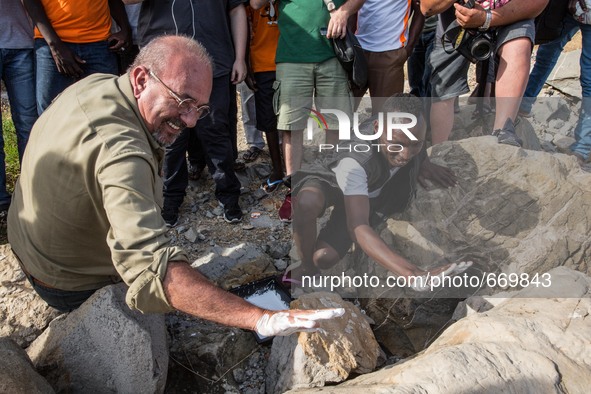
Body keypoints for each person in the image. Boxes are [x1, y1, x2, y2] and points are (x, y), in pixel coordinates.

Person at [7, 36, 342, 335]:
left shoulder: (96, 85)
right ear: (140, 79)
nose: (191, 121)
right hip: (65, 280)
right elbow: (155, 270)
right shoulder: (123, 153)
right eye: (182, 101)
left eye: (199, 108)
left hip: (29, 242)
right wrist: (262, 319)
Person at [291, 94, 471, 288]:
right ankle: (307, 268)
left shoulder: (406, 131)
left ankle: (316, 260)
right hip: (334, 181)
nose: (405, 155)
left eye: (416, 144)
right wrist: (412, 273)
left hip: (371, 192)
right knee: (307, 202)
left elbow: (411, 140)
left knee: (323, 258)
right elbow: (358, 226)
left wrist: (423, 161)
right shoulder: (356, 161)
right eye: (397, 144)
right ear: (377, 129)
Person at [250, 0, 365, 222]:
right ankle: (296, 190)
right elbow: (255, 4)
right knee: (292, 127)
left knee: (335, 123)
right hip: (292, 56)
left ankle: (332, 184)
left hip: (333, 53)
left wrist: (344, 12)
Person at [135, 0, 247, 225]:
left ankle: (228, 193)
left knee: (215, 130)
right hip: (164, 68)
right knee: (170, 136)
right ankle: (170, 198)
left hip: (214, 61)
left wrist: (240, 58)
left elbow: (236, 9)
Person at [421, 0, 549, 147]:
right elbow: (427, 7)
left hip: (511, 13)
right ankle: (438, 149)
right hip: (458, 19)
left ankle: (503, 133)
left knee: (519, 45)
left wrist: (486, 18)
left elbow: (537, 3)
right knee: (443, 87)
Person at [23, 0, 131, 114]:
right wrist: (55, 46)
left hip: (99, 43)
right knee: (51, 113)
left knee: (105, 110)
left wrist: (125, 29)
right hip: (53, 45)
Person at [519, 0, 591, 167]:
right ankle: (522, 104)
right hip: (568, 8)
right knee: (545, 54)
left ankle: (582, 149)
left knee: (588, 79)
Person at [0, 0, 37, 216]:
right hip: (21, 44)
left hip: (22, 42)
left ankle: (32, 193)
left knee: (29, 127)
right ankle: (2, 202)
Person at [354, 0, 425, 114]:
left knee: (386, 119)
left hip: (390, 54)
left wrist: (408, 49)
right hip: (357, 52)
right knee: (340, 116)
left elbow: (421, 9)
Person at [245, 0, 285, 192]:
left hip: (291, 59)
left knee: (291, 118)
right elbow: (245, 26)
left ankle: (292, 168)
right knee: (268, 120)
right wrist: (246, 64)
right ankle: (277, 170)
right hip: (261, 62)